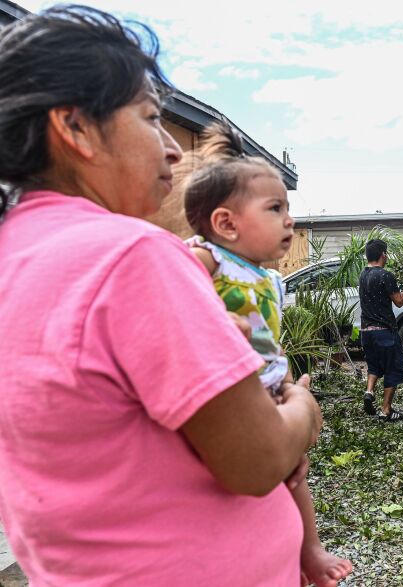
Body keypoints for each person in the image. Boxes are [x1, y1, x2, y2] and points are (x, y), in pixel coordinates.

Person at [0, 7, 328, 585]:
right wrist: (303, 410)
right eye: (151, 118)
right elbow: (257, 458)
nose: (172, 150)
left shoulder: (16, 254)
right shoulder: (133, 256)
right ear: (74, 127)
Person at [183, 123, 352, 585]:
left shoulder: (268, 277)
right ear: (226, 224)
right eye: (275, 208)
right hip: (232, 391)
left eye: (288, 208)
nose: (290, 220)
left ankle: (309, 549)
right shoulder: (203, 259)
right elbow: (180, 308)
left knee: (296, 480)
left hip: (272, 386)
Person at [359, 238, 403, 421]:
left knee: (374, 365)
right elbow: (399, 301)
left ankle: (369, 391)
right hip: (384, 332)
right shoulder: (385, 275)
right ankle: (386, 410)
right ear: (383, 255)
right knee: (393, 369)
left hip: (366, 332)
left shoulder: (363, 275)